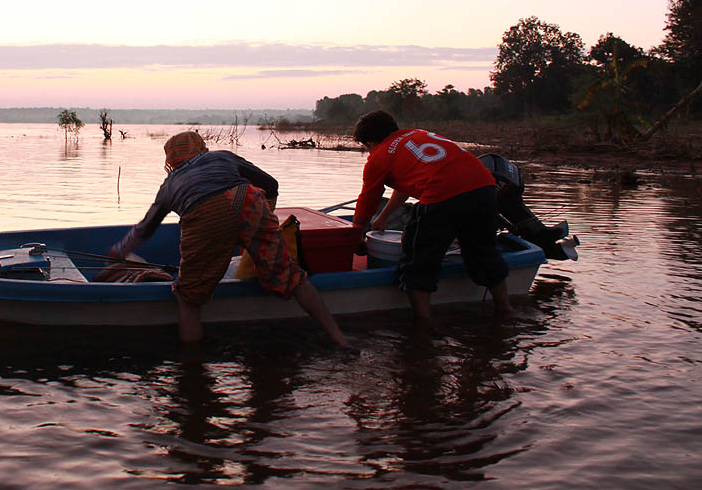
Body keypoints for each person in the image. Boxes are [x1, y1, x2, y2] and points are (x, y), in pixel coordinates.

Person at [110, 131, 348, 346]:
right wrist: (265, 218)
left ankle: (192, 371)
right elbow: (270, 185)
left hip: (204, 211)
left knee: (188, 297)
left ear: (170, 162)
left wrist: (120, 250)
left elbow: (145, 228)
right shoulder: (221, 157)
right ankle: (340, 340)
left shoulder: (169, 185)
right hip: (247, 198)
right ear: (202, 149)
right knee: (292, 277)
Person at [350, 111, 512, 319]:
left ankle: (423, 327)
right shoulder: (417, 135)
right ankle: (505, 309)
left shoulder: (379, 156)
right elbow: (408, 183)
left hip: (443, 195)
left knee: (416, 259)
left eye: (366, 148)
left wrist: (356, 233)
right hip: (484, 188)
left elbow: (368, 199)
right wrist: (383, 217)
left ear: (370, 142)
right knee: (484, 251)